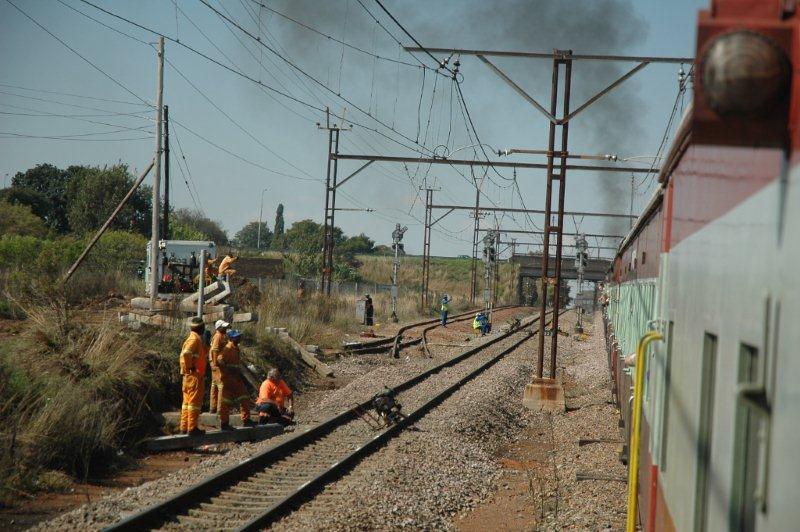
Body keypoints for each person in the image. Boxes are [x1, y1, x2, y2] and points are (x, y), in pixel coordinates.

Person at [216, 329, 254, 430]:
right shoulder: (228, 348)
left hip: (236, 379)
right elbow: (219, 360)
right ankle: (224, 423)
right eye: (237, 336)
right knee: (226, 402)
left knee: (244, 397)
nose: (239, 338)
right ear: (232, 338)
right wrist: (227, 370)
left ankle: (246, 420)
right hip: (228, 379)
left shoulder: (235, 348)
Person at [180, 317, 208, 436]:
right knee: (194, 404)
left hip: (189, 376)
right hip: (194, 376)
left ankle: (184, 427)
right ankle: (192, 428)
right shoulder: (194, 339)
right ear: (200, 328)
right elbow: (187, 353)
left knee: (186, 403)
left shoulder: (193, 338)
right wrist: (190, 366)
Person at [208, 319, 230, 414]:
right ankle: (219, 409)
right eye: (224, 327)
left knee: (215, 386)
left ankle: (213, 408)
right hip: (218, 366)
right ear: (219, 327)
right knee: (221, 387)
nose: (226, 328)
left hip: (215, 365)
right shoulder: (218, 336)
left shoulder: (221, 336)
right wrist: (216, 363)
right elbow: (214, 350)